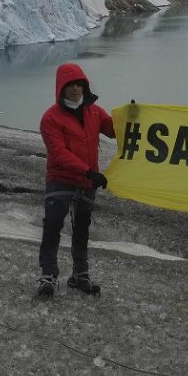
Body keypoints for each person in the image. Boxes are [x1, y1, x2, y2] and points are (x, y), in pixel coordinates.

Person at [36, 63, 115, 298]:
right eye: (70, 85)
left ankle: (80, 274)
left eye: (79, 84)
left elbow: (114, 130)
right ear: (61, 87)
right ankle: (48, 275)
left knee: (81, 228)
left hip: (86, 182)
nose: (76, 89)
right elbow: (58, 153)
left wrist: (132, 116)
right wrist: (88, 172)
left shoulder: (94, 112)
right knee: (53, 225)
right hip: (61, 179)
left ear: (85, 86)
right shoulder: (51, 118)